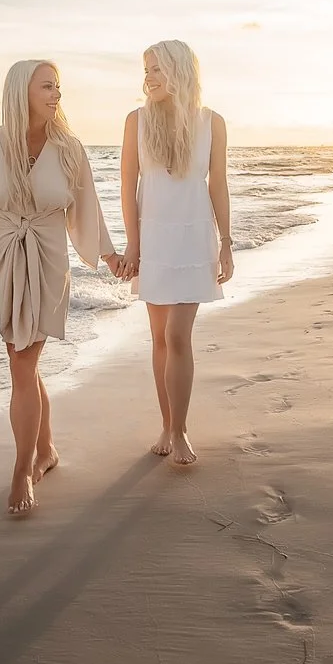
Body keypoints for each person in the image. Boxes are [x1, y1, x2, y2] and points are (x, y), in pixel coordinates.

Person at [0, 58, 119, 515]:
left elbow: (87, 208)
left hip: (47, 257)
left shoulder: (69, 148)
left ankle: (23, 467)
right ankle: (45, 449)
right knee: (21, 357)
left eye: (58, 87)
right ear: (20, 91)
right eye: (47, 86)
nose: (56, 95)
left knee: (24, 360)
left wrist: (110, 255)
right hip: (6, 257)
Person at [117, 39, 232, 466]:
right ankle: (166, 425)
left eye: (157, 69)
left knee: (177, 335)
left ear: (180, 72)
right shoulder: (137, 121)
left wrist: (227, 243)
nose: (148, 78)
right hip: (155, 239)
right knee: (159, 339)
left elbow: (217, 184)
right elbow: (127, 186)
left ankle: (180, 430)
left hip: (193, 237)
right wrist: (133, 242)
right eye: (146, 69)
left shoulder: (211, 122)